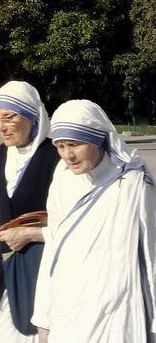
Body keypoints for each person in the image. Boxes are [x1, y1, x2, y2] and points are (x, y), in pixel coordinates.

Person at [33, 99, 156, 343]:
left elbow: (152, 257)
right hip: (68, 312)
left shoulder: (133, 184)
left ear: (97, 138)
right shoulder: (62, 181)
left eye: (75, 144)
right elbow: (54, 250)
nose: (68, 155)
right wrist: (43, 318)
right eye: (60, 146)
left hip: (117, 315)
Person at [0, 81, 59, 342]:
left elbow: (76, 225)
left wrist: (32, 234)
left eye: (9, 118)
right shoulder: (1, 155)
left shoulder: (55, 158)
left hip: (43, 272)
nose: (1, 126)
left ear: (33, 117)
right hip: (5, 269)